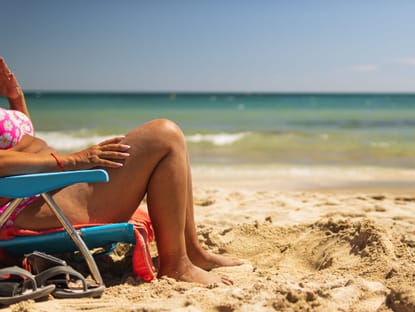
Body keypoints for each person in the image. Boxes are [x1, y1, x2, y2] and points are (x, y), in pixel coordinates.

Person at [0, 57, 242, 285]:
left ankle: (192, 251)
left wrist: (16, 98)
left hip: (41, 190)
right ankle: (176, 265)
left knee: (169, 139)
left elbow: (23, 147)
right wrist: (74, 160)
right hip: (26, 202)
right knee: (164, 136)